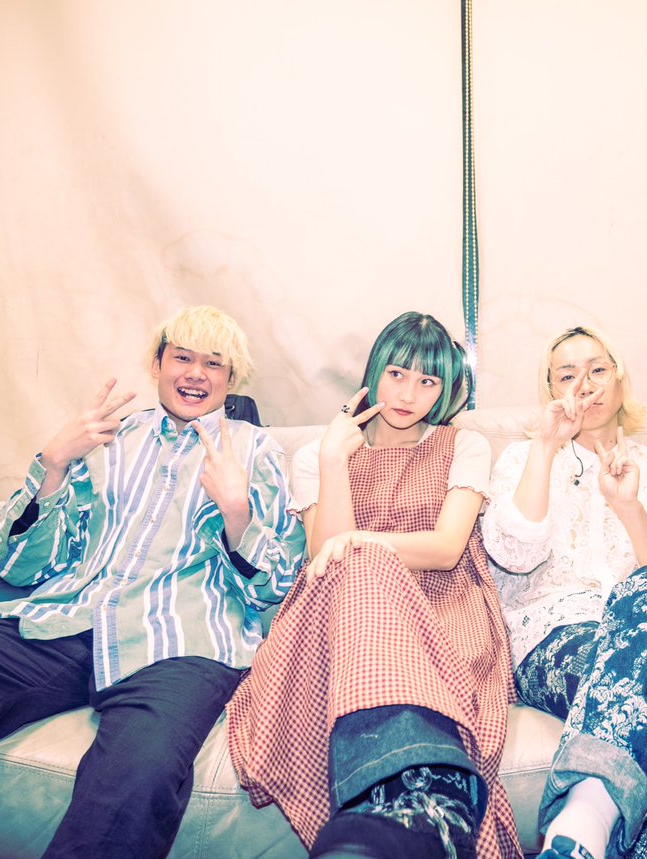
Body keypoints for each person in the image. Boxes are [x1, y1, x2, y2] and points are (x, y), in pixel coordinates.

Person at [0, 305, 307, 858]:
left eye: (213, 363)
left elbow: (278, 585)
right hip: (69, 619)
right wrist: (53, 464)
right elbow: (18, 567)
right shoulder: (108, 440)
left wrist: (237, 514)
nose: (195, 374)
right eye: (182, 358)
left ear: (231, 379)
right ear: (157, 365)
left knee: (139, 773)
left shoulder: (256, 451)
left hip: (181, 644)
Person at [226, 311, 521, 859]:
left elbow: (446, 548)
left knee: (362, 558)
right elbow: (325, 557)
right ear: (375, 371)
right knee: (358, 565)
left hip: (441, 611)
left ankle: (383, 818)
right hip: (339, 618)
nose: (409, 394)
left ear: (445, 390)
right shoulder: (319, 454)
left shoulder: (463, 445)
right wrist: (335, 461)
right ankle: (423, 803)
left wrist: (361, 541)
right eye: (397, 374)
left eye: (428, 381)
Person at [484, 326, 647, 859]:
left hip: (639, 634)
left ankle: (580, 835)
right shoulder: (522, 458)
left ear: (620, 381)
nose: (586, 385)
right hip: (549, 642)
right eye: (567, 375)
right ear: (550, 390)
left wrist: (628, 506)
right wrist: (546, 446)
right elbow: (515, 554)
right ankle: (588, 824)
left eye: (598, 370)